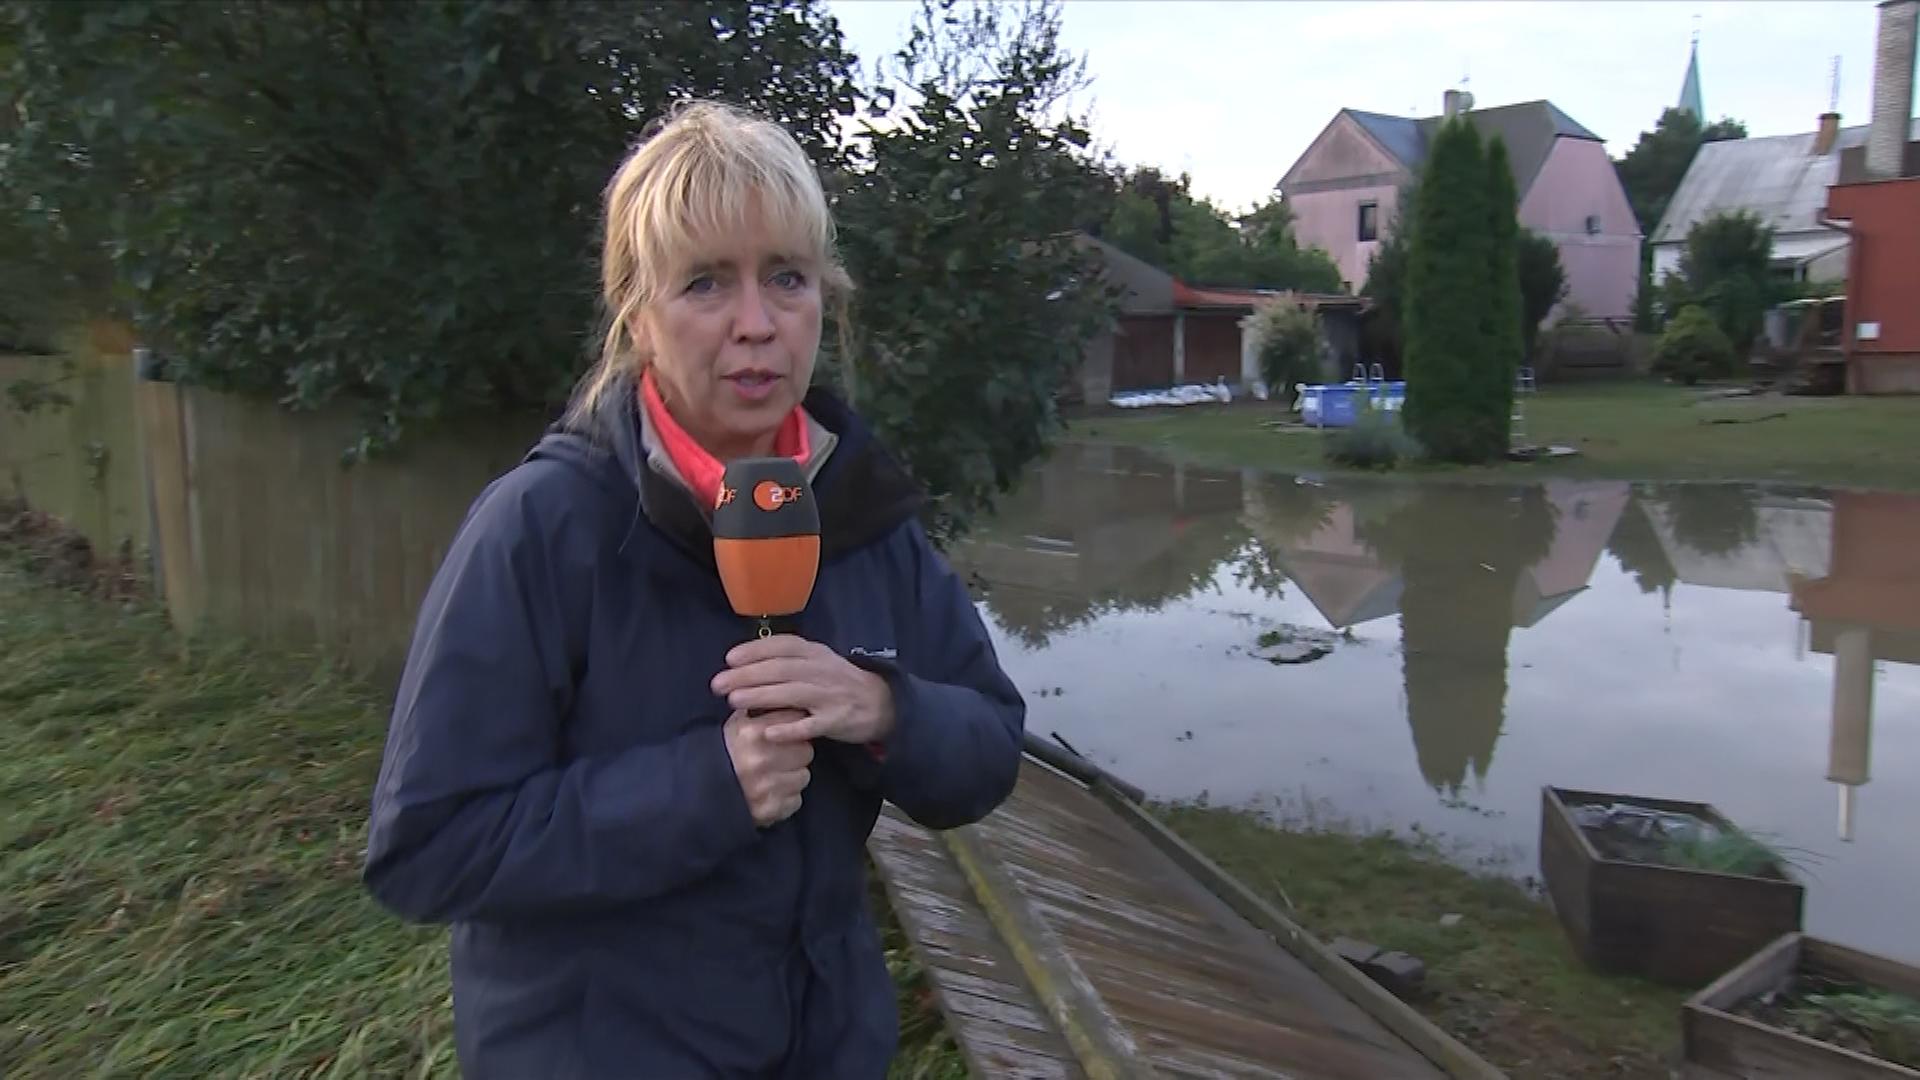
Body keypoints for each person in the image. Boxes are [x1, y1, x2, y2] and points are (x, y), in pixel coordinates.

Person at [361, 100, 1027, 1078]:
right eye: (707, 283)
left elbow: (989, 750)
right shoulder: (544, 529)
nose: (756, 325)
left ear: (823, 300)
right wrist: (705, 786)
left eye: (786, 279)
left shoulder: (863, 513)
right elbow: (429, 847)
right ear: (639, 317)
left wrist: (885, 707)